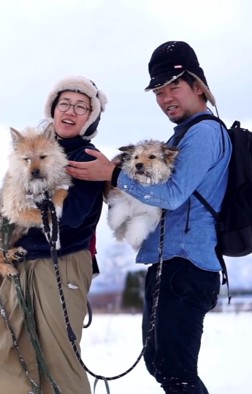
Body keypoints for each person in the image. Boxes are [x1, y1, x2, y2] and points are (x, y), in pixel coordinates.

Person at [66, 41, 230, 393]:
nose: (166, 97)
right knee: (161, 365)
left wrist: (110, 175)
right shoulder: (182, 134)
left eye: (174, 87)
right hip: (168, 265)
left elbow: (171, 195)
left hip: (186, 267)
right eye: (158, 91)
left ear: (197, 86)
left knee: (176, 370)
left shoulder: (203, 133)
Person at [0, 76, 108, 394]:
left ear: (90, 117)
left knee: (58, 364)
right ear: (53, 109)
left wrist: (33, 193)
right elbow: (4, 201)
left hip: (62, 266)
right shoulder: (29, 151)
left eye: (81, 107)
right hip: (18, 264)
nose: (70, 112)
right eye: (65, 104)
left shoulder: (86, 158)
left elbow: (71, 218)